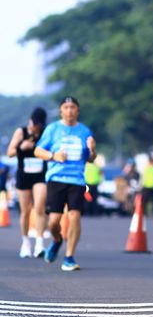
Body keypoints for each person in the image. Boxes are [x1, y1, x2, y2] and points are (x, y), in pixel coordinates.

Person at [34, 96, 96, 272]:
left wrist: (92, 150)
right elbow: (37, 150)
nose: (69, 110)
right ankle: (57, 239)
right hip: (56, 179)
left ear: (78, 111)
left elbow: (91, 159)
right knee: (53, 222)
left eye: (73, 107)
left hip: (77, 180)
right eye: (66, 107)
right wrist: (53, 156)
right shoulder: (53, 129)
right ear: (61, 111)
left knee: (75, 215)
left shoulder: (84, 131)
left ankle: (69, 257)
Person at [7, 107, 48, 258]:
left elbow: (51, 151)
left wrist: (38, 148)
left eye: (39, 125)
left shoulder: (45, 133)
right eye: (35, 124)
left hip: (40, 175)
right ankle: (25, 242)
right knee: (25, 211)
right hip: (24, 175)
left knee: (40, 208)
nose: (36, 127)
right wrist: (21, 147)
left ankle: (39, 243)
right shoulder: (21, 132)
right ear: (30, 121)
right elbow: (10, 152)